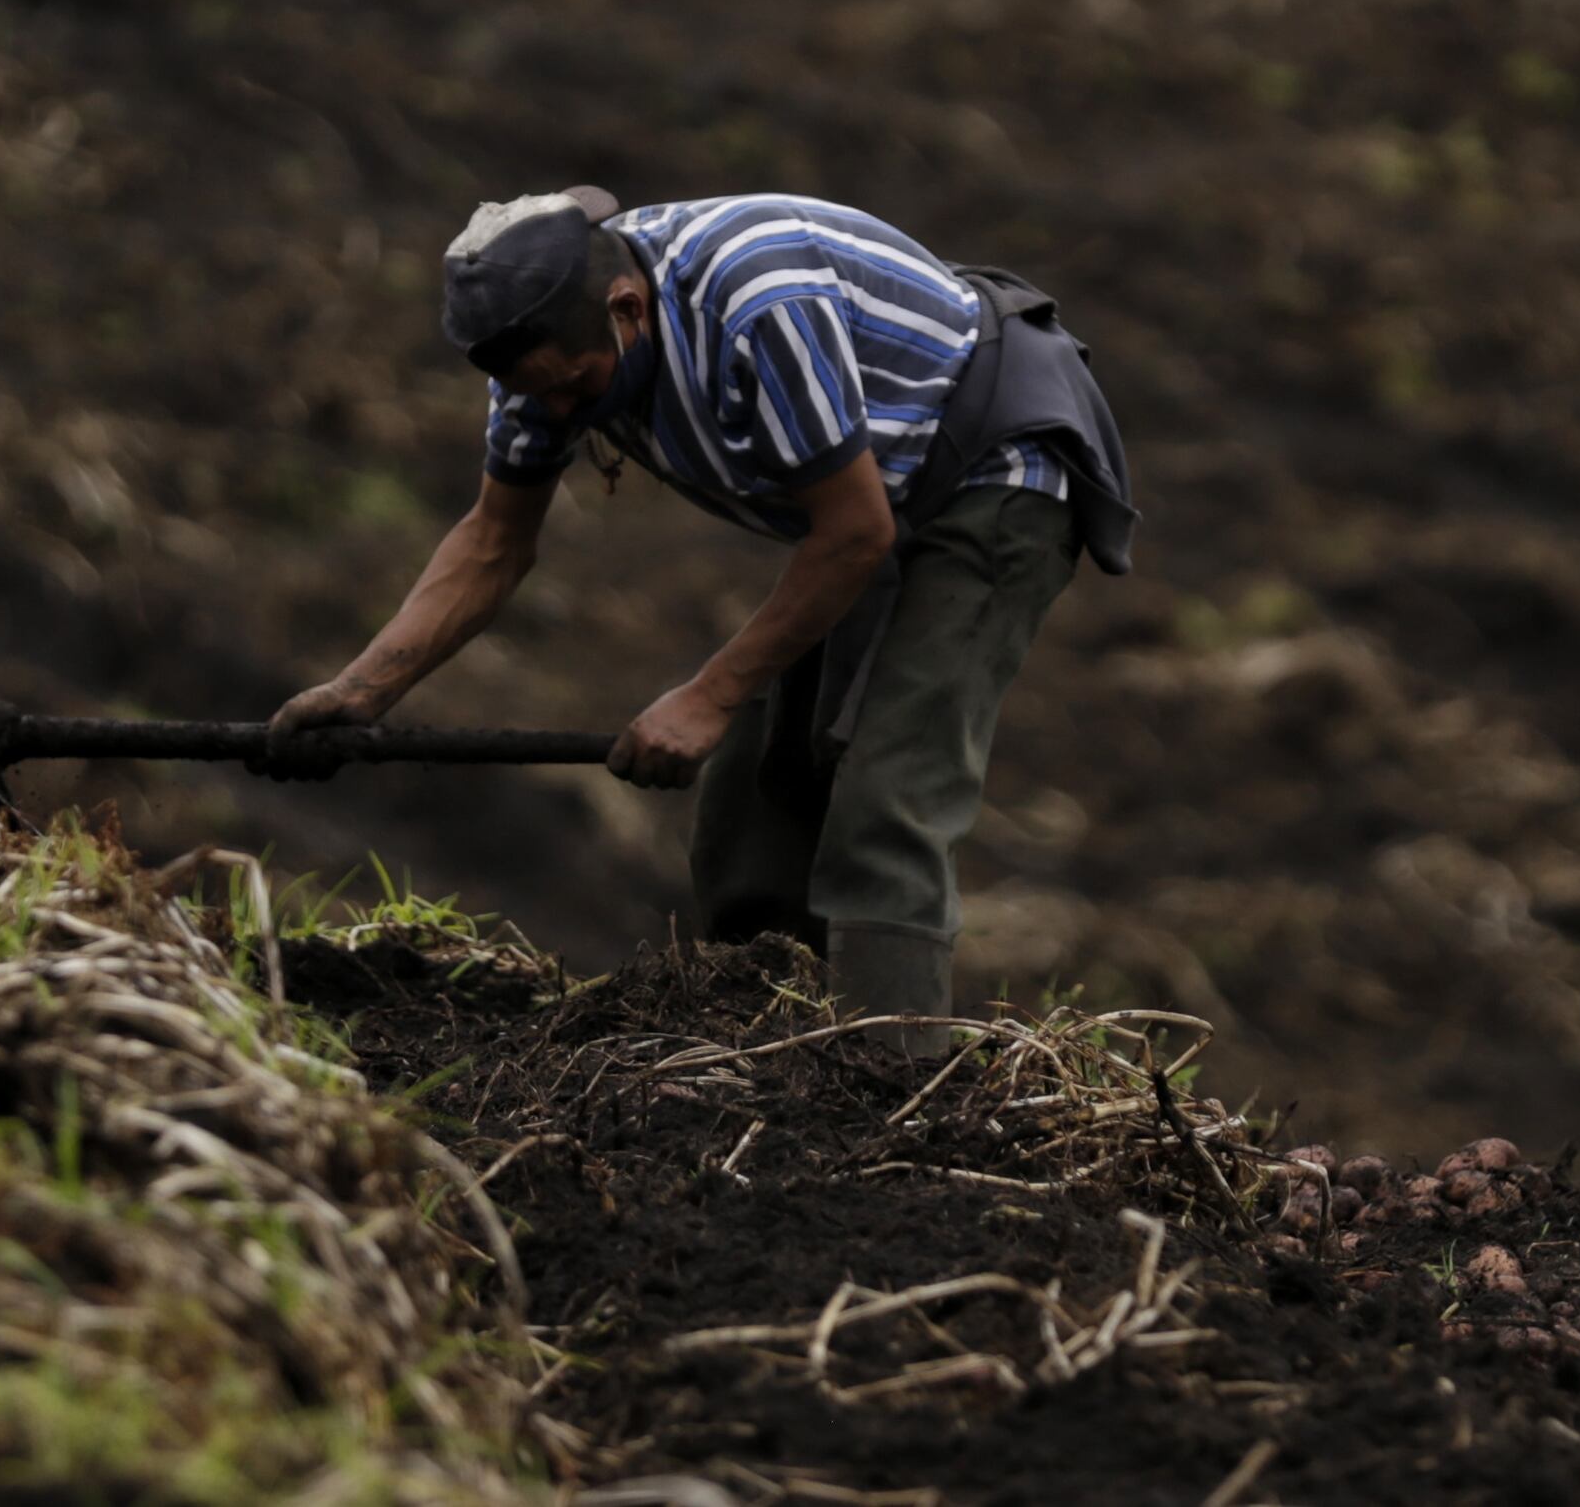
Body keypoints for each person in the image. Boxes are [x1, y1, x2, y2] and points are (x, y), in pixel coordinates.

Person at [271, 186, 1138, 1021]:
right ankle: (766, 1051)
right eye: (542, 395)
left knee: (887, 799)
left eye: (576, 388)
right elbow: (494, 542)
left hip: (994, 469)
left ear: (626, 308)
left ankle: (890, 1077)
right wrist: (363, 690)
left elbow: (853, 535)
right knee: (753, 796)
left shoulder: (758, 303)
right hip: (879, 498)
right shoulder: (539, 359)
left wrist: (709, 696)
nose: (561, 410)